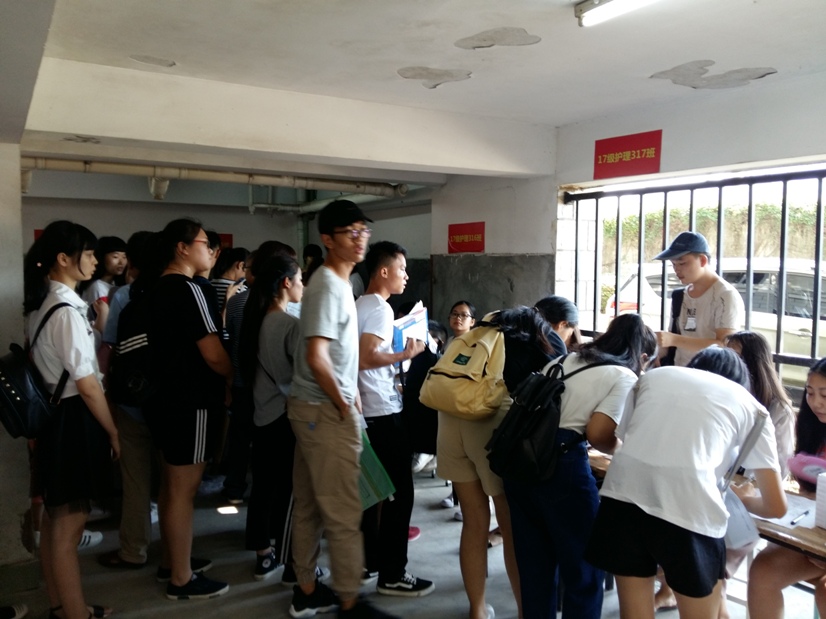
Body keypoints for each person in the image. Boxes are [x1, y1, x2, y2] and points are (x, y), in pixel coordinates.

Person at [586, 347, 787, 619]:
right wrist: (744, 498)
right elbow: (776, 507)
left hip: (622, 498)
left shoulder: (653, 377)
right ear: (741, 382)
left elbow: (627, 440)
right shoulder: (753, 409)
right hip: (690, 513)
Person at [288, 200, 399, 619]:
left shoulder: (337, 282)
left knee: (311, 505)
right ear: (327, 239)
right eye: (350, 232)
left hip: (312, 409)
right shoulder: (327, 286)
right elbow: (317, 357)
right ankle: (351, 603)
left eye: (363, 231)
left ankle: (306, 588)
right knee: (343, 511)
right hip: (324, 411)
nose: (359, 239)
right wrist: (344, 403)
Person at [505, 313, 657, 619]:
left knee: (534, 564)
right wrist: (622, 450)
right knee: (583, 566)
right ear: (642, 357)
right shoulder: (623, 376)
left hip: (519, 459)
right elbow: (599, 434)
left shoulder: (564, 360)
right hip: (562, 465)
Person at [436, 306, 565, 619]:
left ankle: (477, 610)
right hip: (490, 423)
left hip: (451, 419)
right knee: (510, 527)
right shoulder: (538, 338)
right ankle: (524, 611)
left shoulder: (476, 334)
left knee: (474, 522)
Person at [23, 221, 120, 619]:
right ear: (63, 259)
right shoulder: (65, 312)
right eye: (89, 254)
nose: (95, 261)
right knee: (69, 528)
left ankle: (62, 607)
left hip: (54, 419)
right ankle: (76, 614)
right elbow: (88, 385)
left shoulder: (43, 305)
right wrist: (112, 431)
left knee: (54, 523)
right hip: (74, 420)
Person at [145, 218, 233, 600]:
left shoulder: (157, 288)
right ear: (182, 248)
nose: (209, 251)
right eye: (203, 242)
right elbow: (213, 353)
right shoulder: (188, 288)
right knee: (184, 490)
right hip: (192, 400)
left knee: (171, 485)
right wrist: (232, 378)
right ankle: (181, 579)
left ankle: (172, 561)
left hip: (165, 399)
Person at [355, 241, 432, 597]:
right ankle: (393, 574)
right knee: (401, 495)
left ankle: (372, 561)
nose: (406, 275)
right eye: (401, 268)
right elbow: (366, 357)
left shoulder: (360, 304)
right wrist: (406, 353)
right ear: (383, 271)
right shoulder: (380, 309)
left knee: (375, 494)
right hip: (382, 412)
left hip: (369, 411)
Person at [238, 254, 319, 583]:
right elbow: (305, 374)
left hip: (262, 413)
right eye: (299, 280)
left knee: (263, 487)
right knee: (291, 493)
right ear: (286, 283)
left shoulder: (257, 319)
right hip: (285, 416)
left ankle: (264, 555)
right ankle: (293, 563)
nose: (303, 287)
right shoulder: (288, 324)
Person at [715, 331, 796, 618]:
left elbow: (779, 470)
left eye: (736, 357)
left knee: (711, 554)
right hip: (725, 490)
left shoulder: (778, 410)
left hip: (754, 497)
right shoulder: (725, 397)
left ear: (753, 363)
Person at [746, 357, 826, 619]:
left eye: (824, 395)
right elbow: (808, 493)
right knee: (763, 571)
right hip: (817, 536)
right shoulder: (811, 426)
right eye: (810, 393)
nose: (816, 402)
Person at [97, 230, 158, 571]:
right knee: (175, 482)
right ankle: (177, 554)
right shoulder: (177, 292)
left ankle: (134, 549)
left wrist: (109, 393)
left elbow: (111, 348)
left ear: (132, 262)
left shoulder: (123, 296)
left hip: (133, 400)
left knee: (135, 479)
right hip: (171, 402)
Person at [654, 231, 744, 367]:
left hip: (711, 373)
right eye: (673, 264)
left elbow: (725, 345)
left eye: (682, 263)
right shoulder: (680, 296)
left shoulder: (725, 295)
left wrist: (674, 340)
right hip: (681, 371)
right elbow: (673, 340)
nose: (677, 270)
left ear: (702, 260)